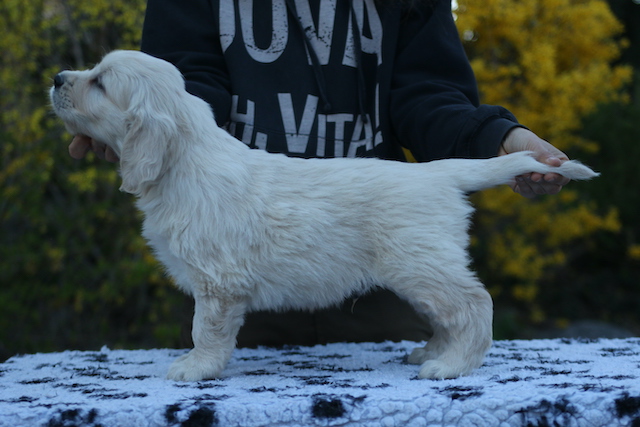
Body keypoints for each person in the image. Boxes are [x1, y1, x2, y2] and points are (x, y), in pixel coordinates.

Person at [69, 0, 571, 347]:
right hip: (232, 248)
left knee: (407, 403)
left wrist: (497, 139)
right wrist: (136, 133)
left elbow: (428, 94)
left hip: (374, 285)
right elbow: (182, 84)